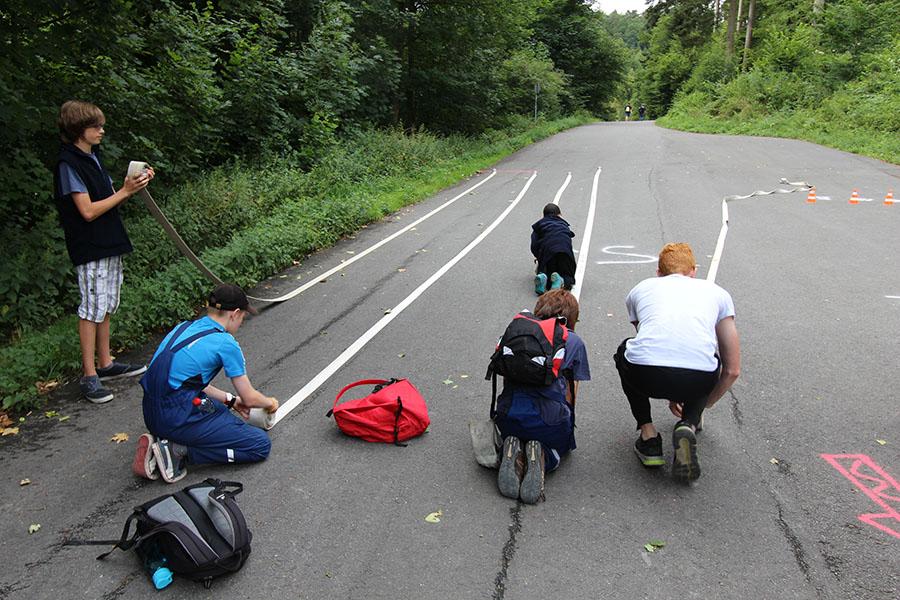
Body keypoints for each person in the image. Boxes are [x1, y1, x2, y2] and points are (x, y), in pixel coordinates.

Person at [53, 100, 155, 403]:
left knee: (107, 303)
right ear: (78, 129)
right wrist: (123, 192)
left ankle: (106, 363)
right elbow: (86, 211)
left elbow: (106, 200)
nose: (102, 130)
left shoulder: (91, 157)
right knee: (91, 308)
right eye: (95, 126)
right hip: (90, 246)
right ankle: (89, 376)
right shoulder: (68, 164)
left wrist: (131, 187)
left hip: (109, 241)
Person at [613, 243, 741, 482]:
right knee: (708, 359)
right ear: (693, 271)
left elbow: (655, 345)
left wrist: (671, 390)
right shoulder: (717, 293)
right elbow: (732, 369)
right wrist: (704, 404)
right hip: (697, 380)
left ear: (658, 272)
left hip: (646, 374)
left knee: (626, 351)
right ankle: (688, 424)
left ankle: (649, 437)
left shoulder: (641, 289)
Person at [132, 284, 279, 483]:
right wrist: (270, 403)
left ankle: (164, 439)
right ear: (235, 314)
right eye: (243, 316)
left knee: (218, 409)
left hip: (153, 413)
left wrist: (231, 401)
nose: (241, 322)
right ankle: (179, 451)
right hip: (177, 417)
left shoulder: (183, 328)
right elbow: (250, 398)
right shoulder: (225, 343)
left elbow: (189, 383)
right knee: (259, 445)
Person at [494, 290, 591, 504]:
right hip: (547, 421)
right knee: (558, 451)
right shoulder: (573, 341)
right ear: (571, 319)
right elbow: (570, 394)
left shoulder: (519, 332)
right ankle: (544, 457)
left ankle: (511, 452)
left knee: (515, 426)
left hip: (508, 414)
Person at [531, 203, 576, 295]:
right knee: (568, 275)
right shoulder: (564, 226)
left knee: (547, 269)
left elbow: (534, 246)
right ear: (559, 215)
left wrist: (539, 257)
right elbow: (567, 243)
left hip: (548, 253)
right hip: (565, 252)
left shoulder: (540, 226)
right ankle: (562, 281)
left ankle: (544, 278)